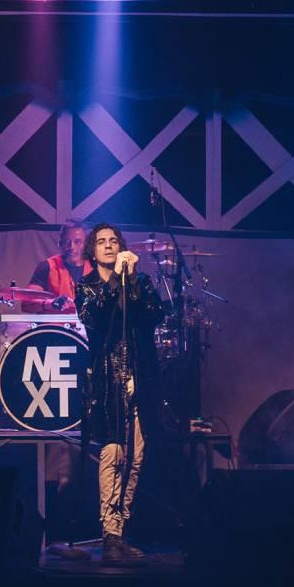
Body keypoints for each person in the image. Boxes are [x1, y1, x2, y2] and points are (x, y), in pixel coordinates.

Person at [75, 222, 167, 565]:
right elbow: (96, 318)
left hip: (140, 377)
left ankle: (120, 529)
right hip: (107, 379)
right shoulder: (86, 287)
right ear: (92, 250)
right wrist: (116, 279)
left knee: (136, 457)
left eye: (114, 240)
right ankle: (109, 533)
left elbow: (155, 316)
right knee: (113, 452)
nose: (109, 245)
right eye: (101, 241)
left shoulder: (140, 282)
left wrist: (134, 281)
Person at [26, 219, 91, 311]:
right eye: (67, 242)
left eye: (78, 242)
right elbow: (27, 304)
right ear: (60, 243)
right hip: (56, 321)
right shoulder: (47, 266)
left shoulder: (97, 268)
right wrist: (51, 303)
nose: (71, 247)